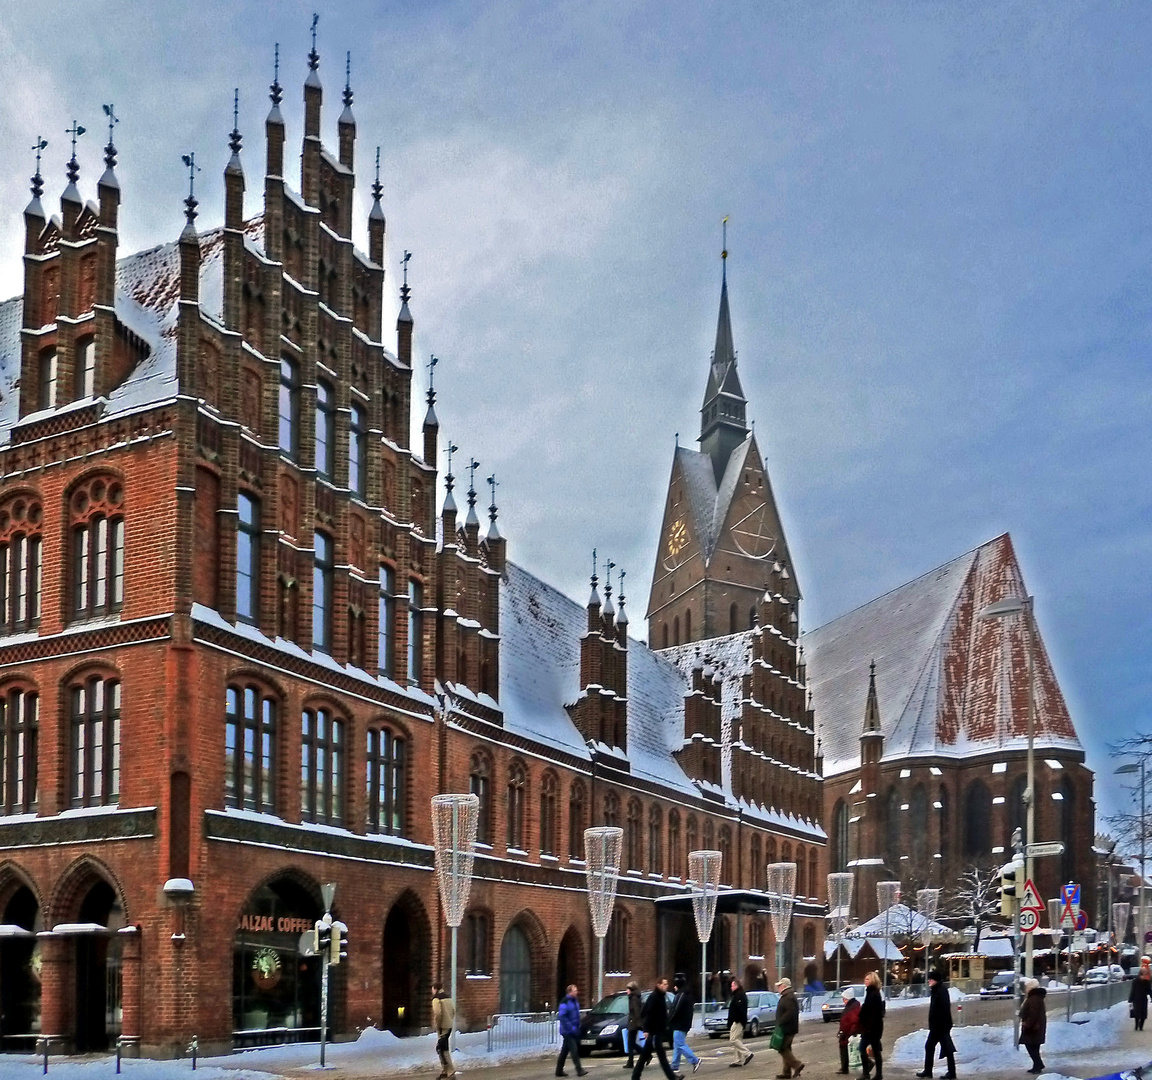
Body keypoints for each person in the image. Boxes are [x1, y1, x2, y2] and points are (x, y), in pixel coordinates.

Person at [632, 977, 678, 1080]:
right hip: (654, 1031)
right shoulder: (654, 997)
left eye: (667, 984)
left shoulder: (661, 996)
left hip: (658, 1030)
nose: (666, 986)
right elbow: (647, 1013)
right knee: (661, 1056)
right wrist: (646, 1029)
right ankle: (672, 1077)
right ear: (659, 985)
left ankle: (635, 1076)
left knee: (645, 1055)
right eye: (664, 984)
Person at [917, 969, 956, 1079]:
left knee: (940, 1048)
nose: (929, 980)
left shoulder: (941, 991)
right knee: (945, 1049)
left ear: (936, 980)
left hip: (940, 1026)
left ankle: (947, 1073)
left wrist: (940, 1025)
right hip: (938, 1026)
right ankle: (932, 1071)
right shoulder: (937, 990)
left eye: (931, 979)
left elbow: (943, 1009)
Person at [668, 975, 701, 1076]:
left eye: (675, 985)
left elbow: (675, 1010)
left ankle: (695, 1060)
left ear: (678, 985)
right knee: (677, 1045)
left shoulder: (680, 995)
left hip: (680, 1024)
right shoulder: (687, 994)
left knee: (680, 1045)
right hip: (684, 1023)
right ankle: (675, 1065)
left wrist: (669, 1019)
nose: (674, 987)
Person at [858, 970, 886, 1080]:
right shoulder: (870, 992)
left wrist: (869, 1027)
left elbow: (875, 1013)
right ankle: (868, 1073)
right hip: (869, 1027)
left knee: (872, 1050)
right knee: (866, 1049)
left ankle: (876, 1074)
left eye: (868, 979)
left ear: (873, 980)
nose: (865, 981)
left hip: (873, 1028)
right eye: (865, 979)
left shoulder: (875, 994)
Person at [774, 977, 804, 1078]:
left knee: (783, 1048)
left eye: (779, 986)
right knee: (787, 1048)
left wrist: (781, 1021)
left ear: (784, 986)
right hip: (788, 1027)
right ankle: (786, 1073)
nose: (778, 988)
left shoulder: (788, 997)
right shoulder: (787, 996)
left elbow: (791, 1012)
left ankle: (797, 1065)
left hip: (787, 1027)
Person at [556, 983, 587, 1077]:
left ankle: (559, 1071)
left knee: (564, 1052)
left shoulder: (574, 1001)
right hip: (568, 1031)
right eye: (575, 990)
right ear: (570, 992)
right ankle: (579, 1070)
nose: (577, 992)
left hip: (573, 1030)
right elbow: (562, 1016)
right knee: (574, 1050)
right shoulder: (565, 1002)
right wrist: (571, 1027)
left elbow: (576, 1016)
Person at [1019, 978, 1047, 1075]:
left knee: (1030, 1046)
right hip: (1037, 1027)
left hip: (1033, 1027)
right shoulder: (1036, 997)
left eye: (1027, 987)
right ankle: (1036, 1066)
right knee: (1034, 1047)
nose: (1025, 989)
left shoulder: (1033, 999)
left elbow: (1033, 1014)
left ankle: (1038, 1064)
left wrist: (1027, 1023)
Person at [725, 977, 754, 1068]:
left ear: (736, 986)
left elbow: (739, 1009)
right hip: (738, 1021)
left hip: (738, 1021)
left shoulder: (739, 996)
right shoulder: (737, 995)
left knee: (733, 1039)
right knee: (738, 1039)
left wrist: (736, 1020)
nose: (731, 987)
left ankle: (747, 1054)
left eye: (732, 985)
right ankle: (737, 1060)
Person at [431, 982, 456, 1080]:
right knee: (442, 1048)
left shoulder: (436, 999)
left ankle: (450, 1070)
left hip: (442, 1027)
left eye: (432, 989)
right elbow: (453, 1010)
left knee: (441, 1048)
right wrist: (449, 1019)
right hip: (449, 1026)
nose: (432, 991)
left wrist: (438, 1024)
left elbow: (438, 1013)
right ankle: (445, 1070)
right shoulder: (448, 997)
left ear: (435, 989)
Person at [837, 987, 861, 1075]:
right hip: (847, 1032)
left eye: (844, 998)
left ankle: (844, 1068)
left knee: (849, 1049)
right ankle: (844, 1067)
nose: (843, 1000)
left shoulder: (852, 1008)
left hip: (849, 1033)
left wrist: (851, 1032)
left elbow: (854, 1021)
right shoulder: (852, 1006)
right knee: (849, 1049)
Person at [624, 980, 644, 1069]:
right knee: (631, 1043)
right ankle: (645, 1055)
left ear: (631, 989)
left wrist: (638, 1023)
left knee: (630, 1043)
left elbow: (637, 1012)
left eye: (628, 989)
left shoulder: (634, 998)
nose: (626, 991)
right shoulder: (633, 997)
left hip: (633, 1023)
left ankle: (631, 1062)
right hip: (633, 1022)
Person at [1132, 964, 1152, 1031]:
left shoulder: (1147, 982)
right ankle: (1136, 1025)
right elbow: (1133, 990)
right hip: (1136, 999)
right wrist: (1130, 999)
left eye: (1146, 974)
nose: (1145, 975)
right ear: (1140, 974)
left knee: (1143, 1013)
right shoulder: (1135, 981)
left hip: (1143, 999)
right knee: (1137, 1013)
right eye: (1144, 974)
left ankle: (1141, 1027)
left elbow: (1149, 990)